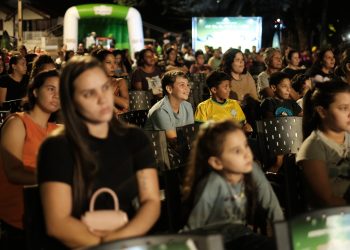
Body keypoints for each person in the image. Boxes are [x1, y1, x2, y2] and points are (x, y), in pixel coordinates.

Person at [37, 56, 160, 249]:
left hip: (126, 240)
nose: (102, 99)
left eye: (104, 88)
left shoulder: (135, 139)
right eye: (88, 94)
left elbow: (151, 201)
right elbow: (58, 223)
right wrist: (105, 246)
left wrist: (119, 242)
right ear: (71, 100)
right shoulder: (56, 147)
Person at [181, 120, 283, 250]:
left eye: (246, 145)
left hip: (241, 236)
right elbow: (193, 228)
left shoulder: (252, 170)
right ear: (217, 162)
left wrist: (282, 240)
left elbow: (272, 207)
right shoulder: (213, 183)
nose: (247, 154)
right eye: (237, 151)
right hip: (214, 243)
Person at [0, 70, 60, 249]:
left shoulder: (57, 130)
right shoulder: (18, 123)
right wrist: (57, 180)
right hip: (18, 220)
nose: (57, 95)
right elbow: (13, 172)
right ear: (35, 91)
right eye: (51, 89)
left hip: (46, 217)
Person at [296, 80, 350, 208]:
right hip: (333, 220)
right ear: (322, 111)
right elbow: (327, 201)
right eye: (343, 108)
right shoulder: (313, 148)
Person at [260, 71, 303, 173]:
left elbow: (302, 116)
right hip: (276, 136)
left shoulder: (291, 103)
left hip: (293, 135)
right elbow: (271, 122)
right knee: (279, 159)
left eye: (290, 86)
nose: (288, 89)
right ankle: (275, 168)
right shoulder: (269, 102)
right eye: (284, 86)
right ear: (274, 88)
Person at [144, 70, 194, 140]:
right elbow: (173, 141)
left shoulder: (187, 106)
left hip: (180, 146)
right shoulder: (160, 111)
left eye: (187, 85)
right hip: (158, 149)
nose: (188, 89)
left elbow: (190, 133)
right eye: (182, 85)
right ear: (169, 89)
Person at [92, 49, 129, 114]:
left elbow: (126, 105)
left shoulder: (119, 82)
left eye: (115, 62)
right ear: (99, 64)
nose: (113, 66)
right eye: (108, 62)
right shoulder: (92, 83)